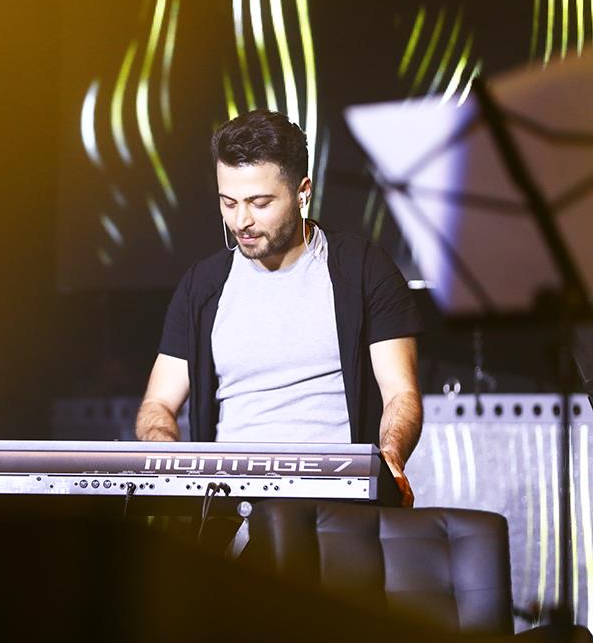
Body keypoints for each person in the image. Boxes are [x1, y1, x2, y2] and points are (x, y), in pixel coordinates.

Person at [134, 109, 424, 506]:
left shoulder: (363, 269)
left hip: (336, 509)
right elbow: (158, 404)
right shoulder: (202, 286)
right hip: (230, 510)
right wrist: (171, 460)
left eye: (259, 203)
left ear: (303, 192)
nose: (241, 221)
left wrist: (390, 457)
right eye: (228, 202)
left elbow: (400, 393)